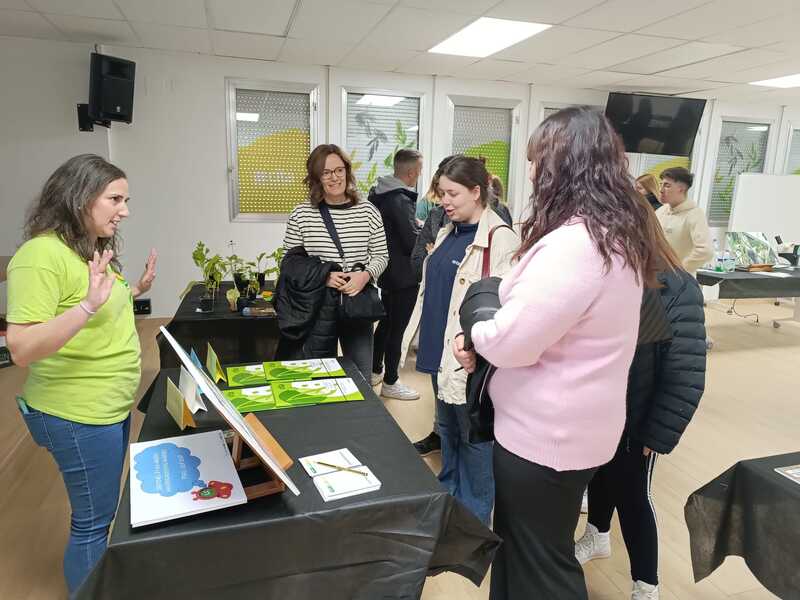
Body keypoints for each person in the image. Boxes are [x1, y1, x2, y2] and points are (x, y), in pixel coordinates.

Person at [453, 107, 662, 599]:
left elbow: (512, 340)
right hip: (571, 429)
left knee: (541, 566)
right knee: (522, 552)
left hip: (546, 438)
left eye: (535, 161)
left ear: (561, 167)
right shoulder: (614, 236)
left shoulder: (578, 244)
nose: (528, 173)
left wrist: (482, 320)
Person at [5, 154, 157, 595]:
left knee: (103, 513)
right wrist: (88, 305)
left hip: (105, 405)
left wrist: (135, 290)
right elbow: (21, 347)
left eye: (125, 199)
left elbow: (95, 315)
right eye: (115, 198)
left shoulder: (86, 247)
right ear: (79, 195)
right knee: (93, 522)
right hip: (76, 413)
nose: (125, 210)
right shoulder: (39, 256)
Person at [575, 196, 706, 600]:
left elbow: (685, 373)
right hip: (597, 412)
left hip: (640, 419)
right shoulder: (603, 275)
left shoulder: (676, 286)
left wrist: (657, 433)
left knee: (634, 497)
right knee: (597, 479)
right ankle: (596, 535)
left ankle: (645, 583)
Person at [400, 156, 518, 524]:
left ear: (477, 191)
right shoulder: (448, 231)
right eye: (441, 194)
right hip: (439, 350)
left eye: (452, 194)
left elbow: (505, 306)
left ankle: (475, 520)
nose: (444, 202)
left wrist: (474, 345)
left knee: (475, 441)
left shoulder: (500, 238)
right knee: (448, 432)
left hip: (470, 359)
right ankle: (448, 500)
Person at [282, 144, 388, 379]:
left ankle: (360, 416)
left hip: (356, 301)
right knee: (318, 376)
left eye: (339, 170)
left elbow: (381, 255)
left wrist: (365, 276)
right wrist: (325, 276)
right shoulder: (302, 214)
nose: (334, 177)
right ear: (316, 177)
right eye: (326, 172)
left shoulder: (368, 211)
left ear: (347, 172)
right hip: (318, 305)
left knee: (361, 376)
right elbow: (289, 262)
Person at [369, 148, 423, 400]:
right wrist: (427, 237)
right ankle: (391, 381)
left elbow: (394, 230)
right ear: (412, 172)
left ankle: (375, 369)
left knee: (386, 323)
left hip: (388, 271)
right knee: (397, 329)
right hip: (404, 274)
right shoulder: (399, 199)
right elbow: (410, 240)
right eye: (419, 171)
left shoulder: (381, 193)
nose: (419, 176)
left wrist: (414, 226)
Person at [655, 167, 713, 276]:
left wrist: (681, 268)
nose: (661, 190)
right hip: (657, 277)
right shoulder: (661, 211)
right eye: (661, 184)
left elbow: (706, 251)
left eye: (667, 185)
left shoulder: (694, 214)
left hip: (679, 282)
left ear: (681, 189)